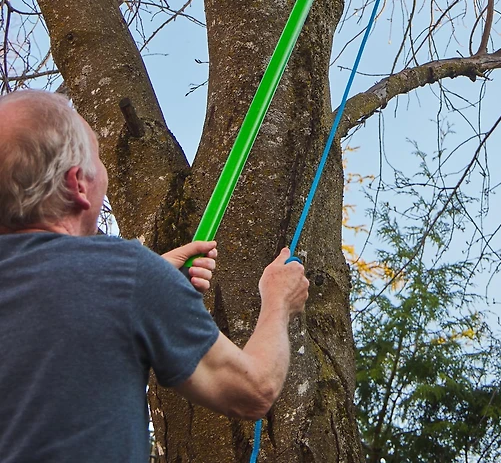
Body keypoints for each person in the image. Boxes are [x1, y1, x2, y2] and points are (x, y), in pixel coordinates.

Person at [0, 89, 309, 463]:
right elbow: (253, 390)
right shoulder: (126, 274)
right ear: (78, 183)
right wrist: (279, 300)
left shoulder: (124, 279)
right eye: (98, 159)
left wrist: (144, 283)